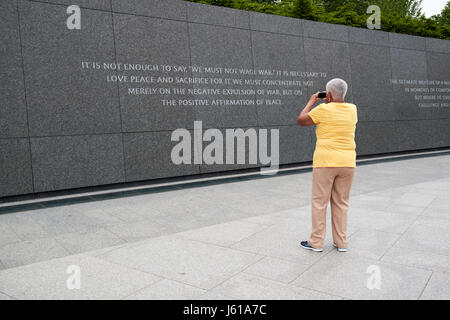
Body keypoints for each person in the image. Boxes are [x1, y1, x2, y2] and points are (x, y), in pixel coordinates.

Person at [296, 78, 358, 253]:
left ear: (328, 94)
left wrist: (311, 101)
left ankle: (316, 242)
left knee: (320, 202)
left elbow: (301, 120)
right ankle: (341, 242)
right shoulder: (353, 110)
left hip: (325, 162)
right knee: (341, 202)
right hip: (347, 162)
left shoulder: (323, 109)